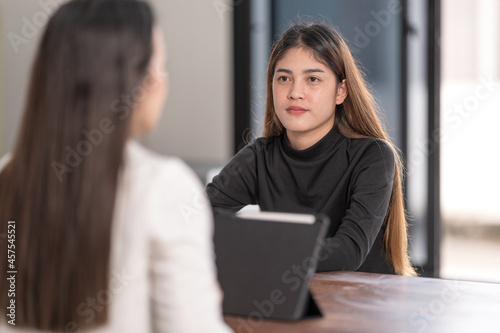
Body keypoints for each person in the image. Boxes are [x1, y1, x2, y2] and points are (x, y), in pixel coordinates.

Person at [0, 0, 232, 332]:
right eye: (161, 67)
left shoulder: (6, 178)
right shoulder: (163, 187)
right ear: (137, 82)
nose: (163, 83)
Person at [207, 23, 417, 277]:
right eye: (284, 78)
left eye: (313, 79)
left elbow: (347, 252)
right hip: (290, 300)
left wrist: (257, 251)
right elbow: (196, 219)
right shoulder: (259, 157)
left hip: (364, 306)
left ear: (341, 91)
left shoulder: (372, 156)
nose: (295, 93)